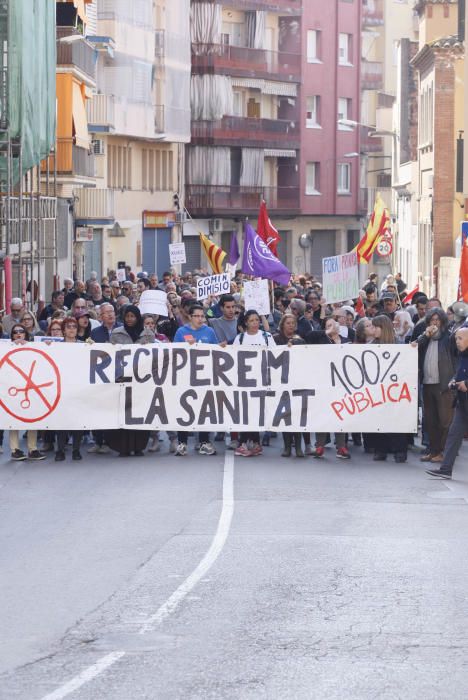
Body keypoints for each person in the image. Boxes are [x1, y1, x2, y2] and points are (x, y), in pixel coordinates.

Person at [107, 306, 154, 457]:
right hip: (122, 379)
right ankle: (123, 447)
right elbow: (111, 354)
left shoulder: (147, 334)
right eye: (127, 316)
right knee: (123, 412)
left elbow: (153, 355)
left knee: (139, 412)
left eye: (133, 316)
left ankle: (139, 446)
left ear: (138, 317)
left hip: (141, 380)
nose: (130, 319)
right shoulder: (116, 333)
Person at [413, 308, 458, 464]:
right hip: (427, 384)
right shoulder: (425, 338)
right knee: (430, 420)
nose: (435, 323)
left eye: (437, 320)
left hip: (443, 385)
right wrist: (425, 335)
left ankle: (442, 452)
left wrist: (453, 380)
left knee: (445, 421)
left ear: (443, 322)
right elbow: (414, 347)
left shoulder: (449, 337)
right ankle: (433, 451)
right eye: (432, 320)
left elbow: (457, 359)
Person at [173, 305, 218, 456]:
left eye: (202, 316)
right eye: (197, 316)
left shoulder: (209, 332)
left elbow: (216, 352)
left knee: (203, 409)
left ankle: (204, 442)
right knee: (183, 408)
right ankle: (182, 442)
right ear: (190, 317)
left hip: (204, 377)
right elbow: (175, 353)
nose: (200, 319)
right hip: (185, 376)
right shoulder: (181, 332)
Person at [425, 327, 468, 479]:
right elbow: (459, 372)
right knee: (453, 435)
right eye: (456, 338)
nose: (457, 341)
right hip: (462, 404)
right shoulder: (462, 355)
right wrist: (453, 381)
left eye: (460, 338)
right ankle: (445, 469)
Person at [233, 310, 276, 458]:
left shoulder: (266, 336)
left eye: (257, 320)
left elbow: (275, 354)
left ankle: (256, 443)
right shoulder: (240, 338)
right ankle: (243, 443)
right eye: (251, 320)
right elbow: (234, 358)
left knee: (258, 412)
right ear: (246, 322)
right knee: (247, 411)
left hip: (263, 380)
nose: (255, 323)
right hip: (245, 381)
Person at [370, 315, 408, 462]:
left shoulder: (399, 344)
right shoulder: (372, 345)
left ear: (383, 328)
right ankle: (381, 450)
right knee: (379, 419)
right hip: (378, 388)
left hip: (395, 389)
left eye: (375, 327)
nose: (372, 330)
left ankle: (400, 450)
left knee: (396, 419)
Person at [8, 324, 45, 461]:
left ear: (25, 334)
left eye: (21, 331)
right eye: (15, 332)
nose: (18, 334)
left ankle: (32, 448)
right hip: (11, 387)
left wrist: (48, 344)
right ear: (11, 335)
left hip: (31, 387)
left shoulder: (34, 346)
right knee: (13, 418)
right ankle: (15, 449)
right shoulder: (5, 348)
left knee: (32, 416)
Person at [273, 314, 307, 457]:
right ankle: (287, 447)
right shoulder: (276, 339)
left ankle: (299, 447)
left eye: (293, 323)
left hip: (297, 381)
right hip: (281, 381)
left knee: (297, 414)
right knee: (285, 415)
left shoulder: (300, 339)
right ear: (282, 325)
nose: (291, 325)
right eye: (288, 323)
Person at [54, 318, 84, 461]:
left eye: (74, 327)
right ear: (64, 330)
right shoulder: (56, 346)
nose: (71, 329)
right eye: (68, 327)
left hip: (79, 388)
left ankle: (76, 450)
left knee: (77, 421)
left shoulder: (84, 346)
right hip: (62, 388)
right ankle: (60, 450)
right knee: (61, 421)